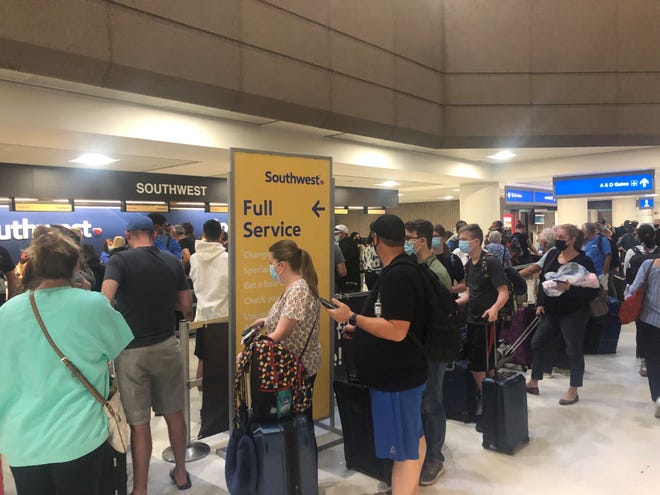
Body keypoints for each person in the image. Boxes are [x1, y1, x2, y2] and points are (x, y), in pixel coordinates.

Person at [0, 227, 133, 495]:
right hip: (79, 435)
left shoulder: (7, 311)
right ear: (76, 265)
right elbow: (118, 346)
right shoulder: (93, 305)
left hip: (22, 441)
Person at [326, 214, 428, 495]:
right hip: (406, 372)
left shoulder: (398, 275)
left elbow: (397, 330)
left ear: (375, 240)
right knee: (414, 437)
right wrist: (361, 330)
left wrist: (353, 318)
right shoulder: (407, 269)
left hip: (396, 377)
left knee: (403, 450)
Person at [102, 215, 193, 494]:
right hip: (167, 345)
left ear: (128, 236)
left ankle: (140, 489)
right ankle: (180, 473)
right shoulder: (171, 261)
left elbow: (104, 302)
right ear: (153, 234)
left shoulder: (120, 261)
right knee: (174, 413)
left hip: (130, 351)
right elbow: (186, 307)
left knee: (139, 424)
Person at [248, 239, 321, 422]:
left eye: (271, 263)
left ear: (282, 265)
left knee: (293, 419)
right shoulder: (296, 287)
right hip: (294, 366)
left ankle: (294, 451)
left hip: (296, 368)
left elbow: (281, 333)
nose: (270, 268)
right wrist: (266, 320)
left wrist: (250, 353)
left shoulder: (298, 289)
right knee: (296, 416)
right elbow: (291, 319)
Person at [526, 224, 599, 405]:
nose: (558, 240)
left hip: (574, 311)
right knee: (537, 342)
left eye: (561, 237)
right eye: (556, 236)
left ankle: (574, 388)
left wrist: (570, 288)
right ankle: (534, 381)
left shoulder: (584, 261)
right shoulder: (552, 255)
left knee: (573, 349)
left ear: (573, 239)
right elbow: (543, 280)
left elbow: (593, 291)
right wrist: (540, 303)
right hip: (551, 309)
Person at [404, 219, 450, 485]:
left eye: (409, 238)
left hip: (434, 348)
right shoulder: (414, 269)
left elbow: (441, 318)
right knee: (419, 403)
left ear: (421, 241)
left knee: (432, 402)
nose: (406, 242)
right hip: (416, 348)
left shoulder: (437, 272)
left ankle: (435, 458)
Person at [455, 224, 509, 394]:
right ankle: (491, 398)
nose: (460, 243)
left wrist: (494, 309)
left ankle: (487, 399)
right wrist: (453, 304)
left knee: (480, 363)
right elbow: (470, 293)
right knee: (483, 361)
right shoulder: (470, 264)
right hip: (472, 319)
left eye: (464, 240)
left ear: (476, 241)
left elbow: (503, 292)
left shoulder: (490, 262)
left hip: (487, 322)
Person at [189, 219, 229, 387]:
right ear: (221, 234)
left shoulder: (193, 258)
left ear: (203, 235)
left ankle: (203, 395)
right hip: (224, 317)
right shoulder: (228, 259)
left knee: (203, 358)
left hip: (203, 317)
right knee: (226, 359)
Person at [622, 224, 660, 377]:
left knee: (643, 331)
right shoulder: (657, 254)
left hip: (642, 300)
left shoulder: (634, 252)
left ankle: (645, 362)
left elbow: (627, 272)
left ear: (637, 236)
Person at [625, 257, 660, 418]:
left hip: (650, 320)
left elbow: (634, 289)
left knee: (653, 359)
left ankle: (658, 397)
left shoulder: (650, 265)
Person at [432, 224, 466, 294]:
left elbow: (463, 285)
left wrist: (446, 290)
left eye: (435, 236)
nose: (432, 239)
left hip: (448, 301)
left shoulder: (453, 259)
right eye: (430, 236)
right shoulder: (425, 259)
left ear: (444, 238)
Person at [336, 224, 361, 292]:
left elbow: (341, 270)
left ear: (344, 234)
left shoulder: (342, 246)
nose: (335, 236)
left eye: (337, 234)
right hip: (354, 281)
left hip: (345, 282)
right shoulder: (352, 244)